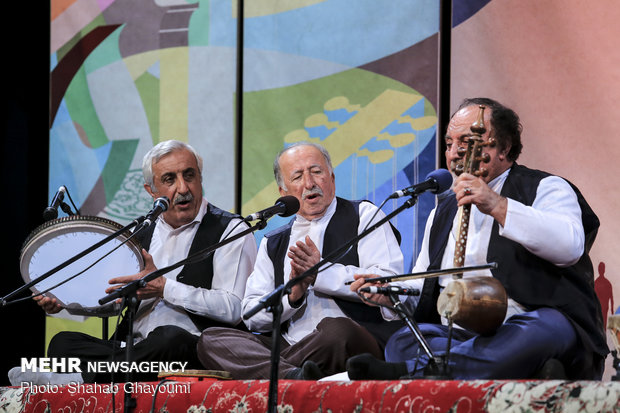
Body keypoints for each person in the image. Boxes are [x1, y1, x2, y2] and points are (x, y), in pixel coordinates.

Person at [347, 97, 608, 380]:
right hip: (461, 335)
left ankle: (415, 372)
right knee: (402, 342)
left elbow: (569, 247)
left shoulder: (546, 187)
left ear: (504, 148)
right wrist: (389, 293)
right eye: (449, 144)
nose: (456, 152)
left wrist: (497, 204)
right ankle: (518, 367)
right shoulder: (443, 211)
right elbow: (423, 287)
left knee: (541, 330)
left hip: (529, 321)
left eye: (468, 141)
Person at [9, 140, 257, 384]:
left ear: (200, 178)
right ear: (151, 191)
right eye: (170, 179)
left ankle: (81, 377)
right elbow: (116, 301)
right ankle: (105, 372)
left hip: (191, 346)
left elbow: (234, 308)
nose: (183, 188)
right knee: (62, 343)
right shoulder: (141, 234)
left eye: (189, 175)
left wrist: (164, 287)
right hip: (135, 347)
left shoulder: (231, 230)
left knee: (169, 339)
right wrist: (65, 303)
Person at [196, 141, 405, 379]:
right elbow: (253, 316)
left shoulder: (364, 215)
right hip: (291, 346)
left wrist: (320, 273)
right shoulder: (273, 242)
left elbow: (388, 283)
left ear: (332, 178)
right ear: (283, 193)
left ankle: (276, 372)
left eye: (316, 172)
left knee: (336, 328)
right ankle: (296, 376)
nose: (309, 183)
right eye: (297, 177)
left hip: (351, 339)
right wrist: (292, 295)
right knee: (211, 339)